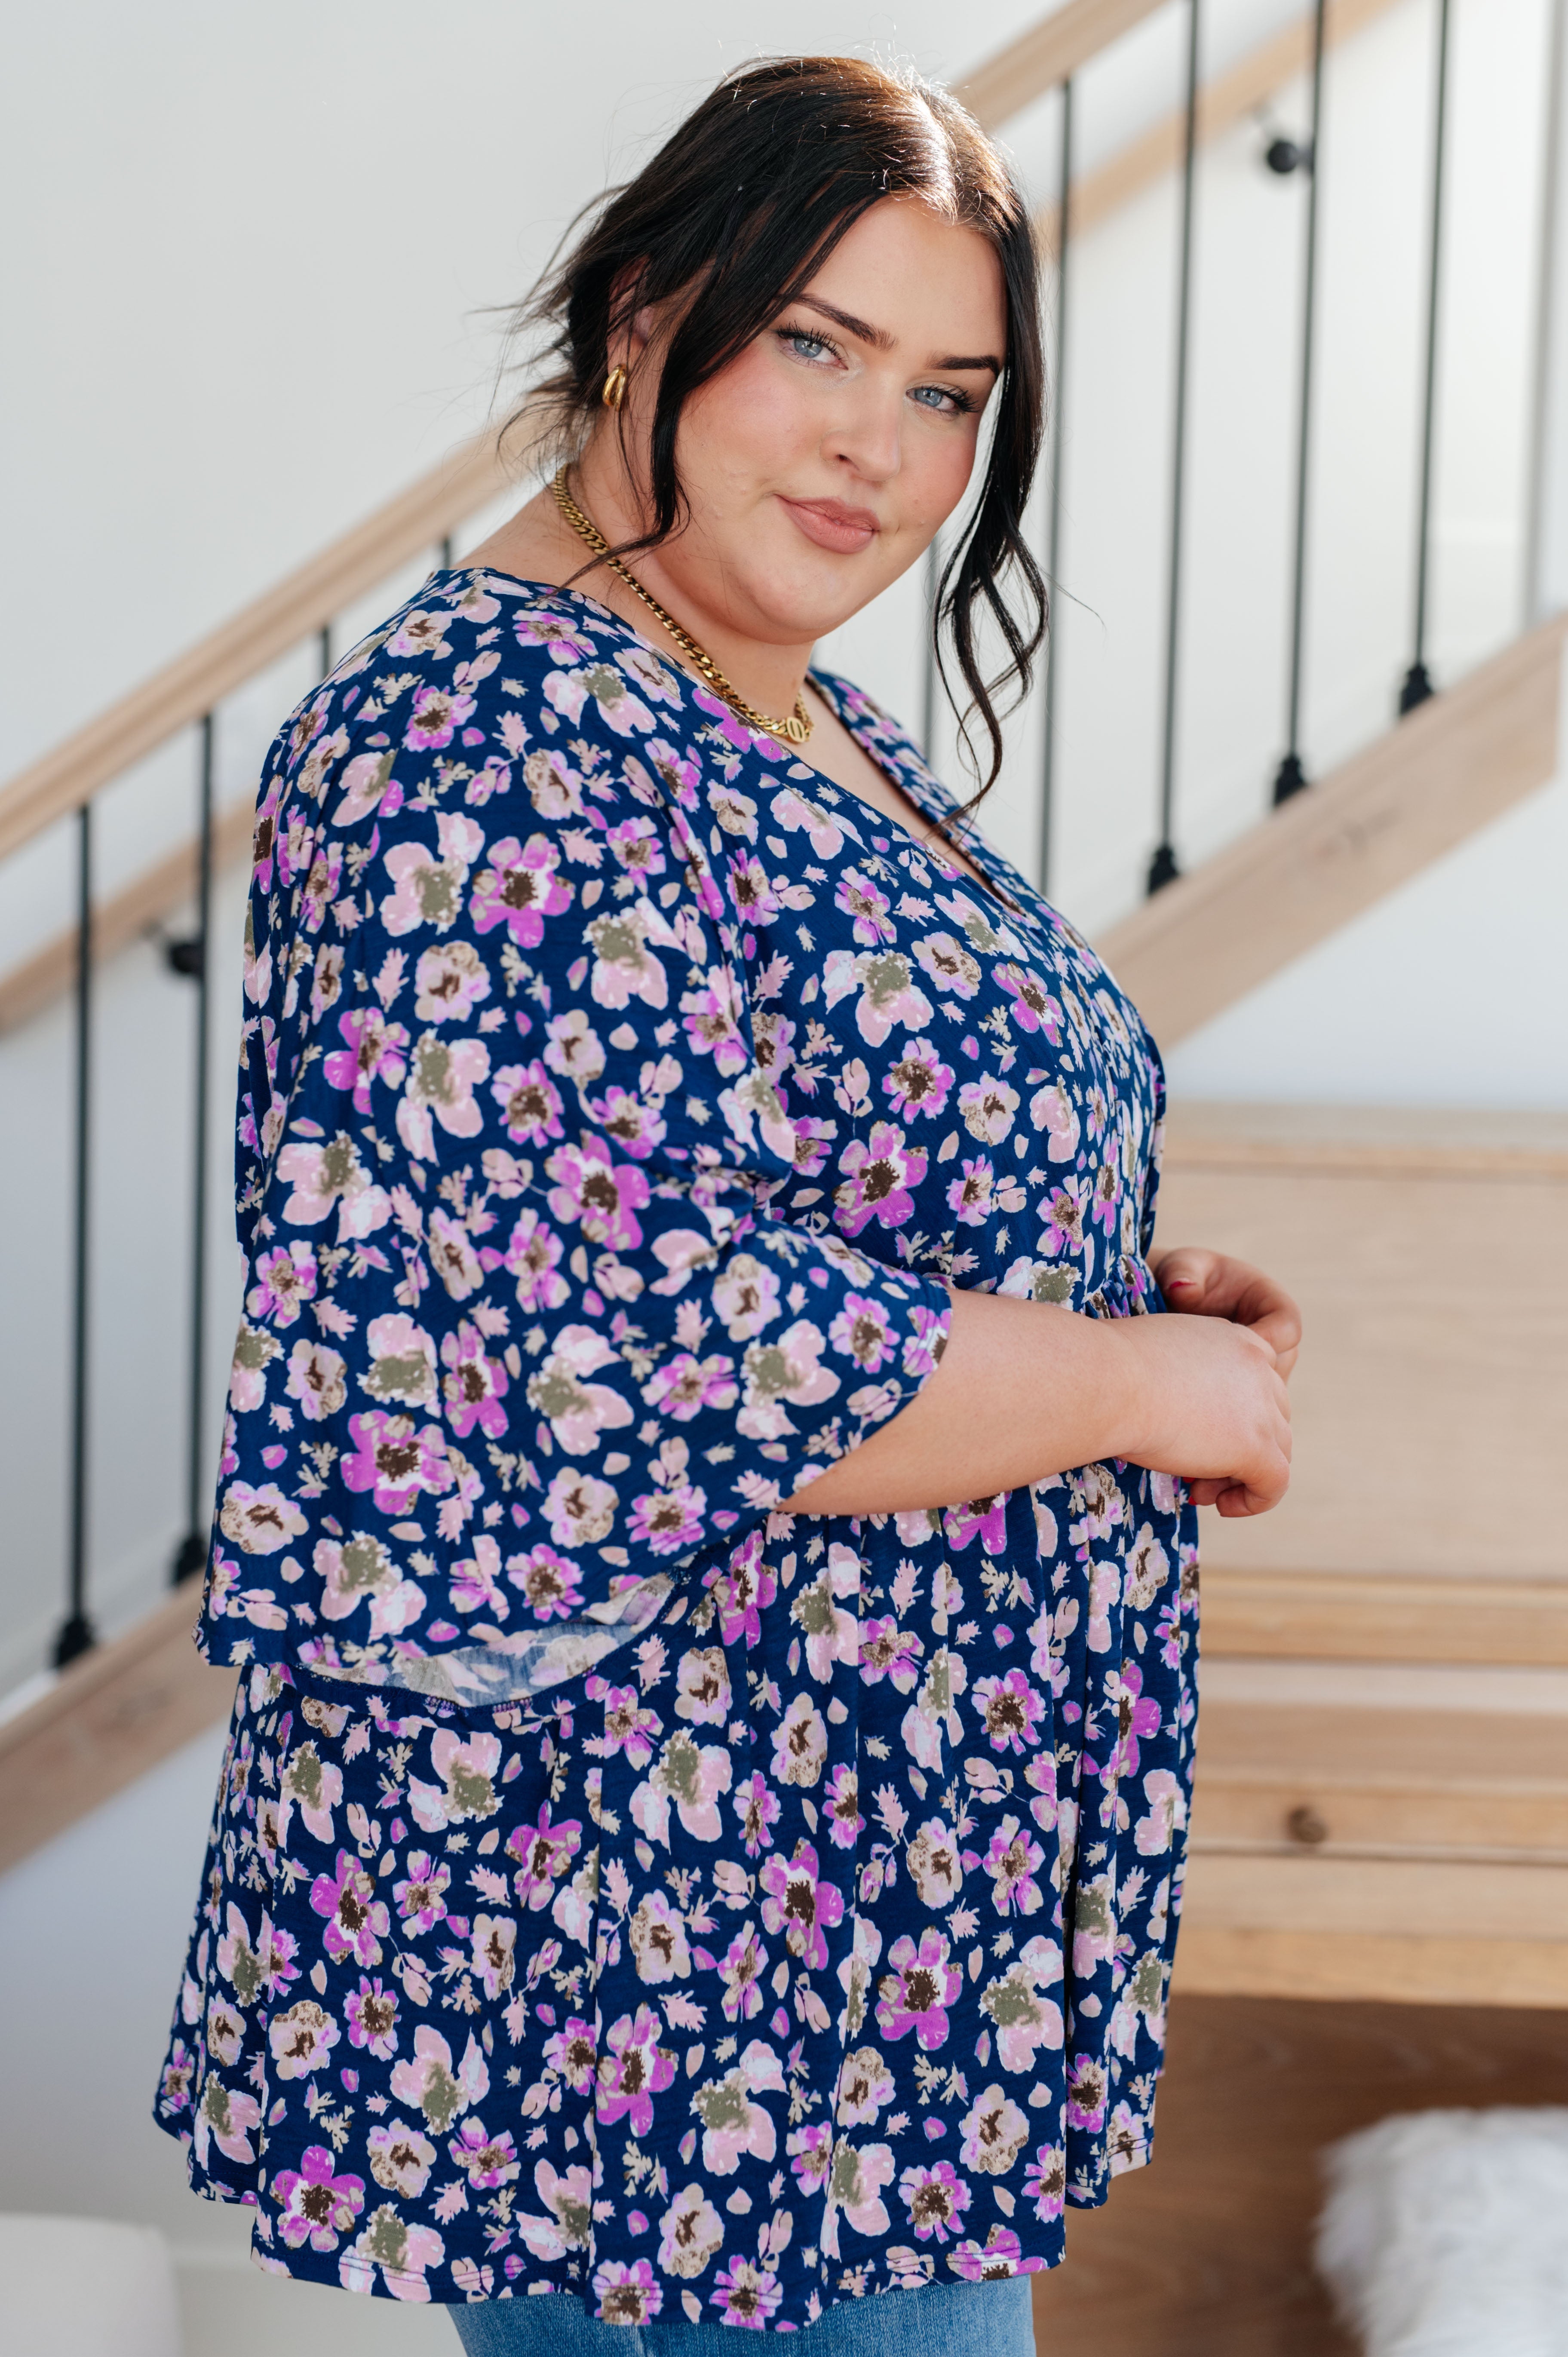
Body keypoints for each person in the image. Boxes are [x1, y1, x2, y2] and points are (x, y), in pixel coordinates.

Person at [154, 53, 1298, 2351]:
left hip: (863, 1929)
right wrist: (1126, 1386)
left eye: (948, 391)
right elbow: (621, 1348)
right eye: (817, 344)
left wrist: (1121, 1303)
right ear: (647, 315)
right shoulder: (487, 739)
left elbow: (781, 1185)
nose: (881, 444)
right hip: (678, 1953)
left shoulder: (778, 706)